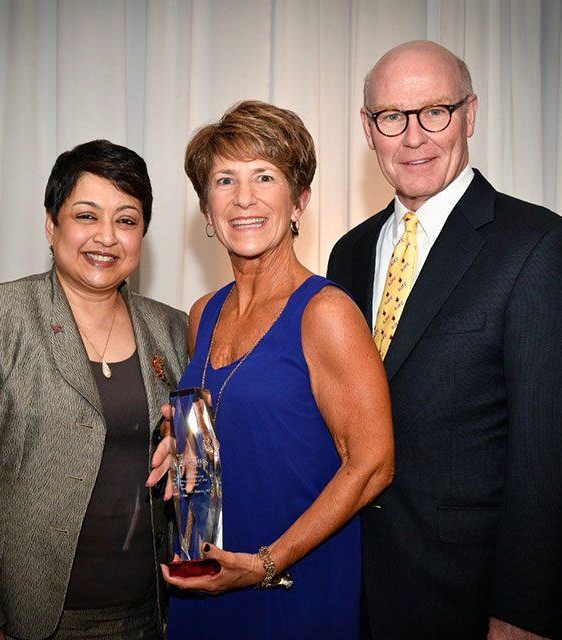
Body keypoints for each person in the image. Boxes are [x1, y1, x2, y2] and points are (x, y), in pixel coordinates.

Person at [326, 41, 562, 639]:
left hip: (470, 599)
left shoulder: (538, 247)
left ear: (470, 114)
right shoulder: (347, 255)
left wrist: (524, 614)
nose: (414, 136)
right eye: (392, 117)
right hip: (351, 588)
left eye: (436, 111)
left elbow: (555, 455)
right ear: (368, 130)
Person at [0, 140, 189, 640]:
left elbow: (197, 453)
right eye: (87, 215)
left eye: (126, 220)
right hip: (17, 617)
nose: (106, 237)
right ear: (51, 224)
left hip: (147, 613)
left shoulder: (171, 328)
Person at [147, 100, 395, 639]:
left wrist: (265, 564)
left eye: (265, 176)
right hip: (208, 576)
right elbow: (240, 419)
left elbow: (373, 464)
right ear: (206, 211)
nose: (244, 198)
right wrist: (180, 433)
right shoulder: (203, 314)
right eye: (224, 180)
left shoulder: (325, 311)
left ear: (300, 200)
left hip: (290, 586)